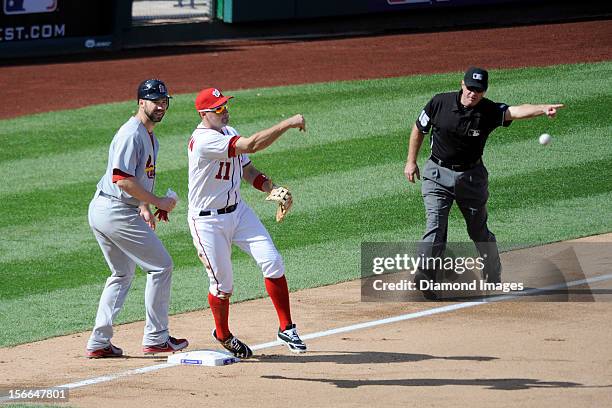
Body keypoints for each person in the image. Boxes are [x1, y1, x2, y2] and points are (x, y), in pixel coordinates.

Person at [404, 67, 564, 299]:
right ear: (462, 85)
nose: (473, 94)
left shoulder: (488, 110)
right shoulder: (439, 102)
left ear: (484, 91)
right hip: (436, 174)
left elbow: (516, 111)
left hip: (471, 177)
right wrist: (411, 162)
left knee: (478, 230)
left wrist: (542, 109)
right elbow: (419, 129)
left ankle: (492, 271)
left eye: (478, 90)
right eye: (470, 88)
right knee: (436, 225)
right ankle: (426, 275)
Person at [187, 87, 307, 358]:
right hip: (207, 222)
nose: (225, 110)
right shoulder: (204, 140)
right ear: (204, 114)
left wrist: (272, 189)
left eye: (225, 105)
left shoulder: (228, 132)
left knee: (273, 261)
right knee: (223, 287)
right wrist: (289, 122)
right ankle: (223, 334)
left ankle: (287, 327)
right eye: (218, 108)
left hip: (238, 212)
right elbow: (251, 144)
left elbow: (248, 169)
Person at [86, 79, 189, 358]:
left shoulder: (148, 134)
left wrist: (144, 206)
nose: (160, 106)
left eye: (164, 101)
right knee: (161, 267)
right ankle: (156, 337)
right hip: (115, 210)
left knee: (121, 273)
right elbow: (121, 179)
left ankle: (99, 342)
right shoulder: (132, 133)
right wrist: (159, 202)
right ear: (140, 102)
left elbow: (136, 177)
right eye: (155, 101)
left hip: (108, 209)